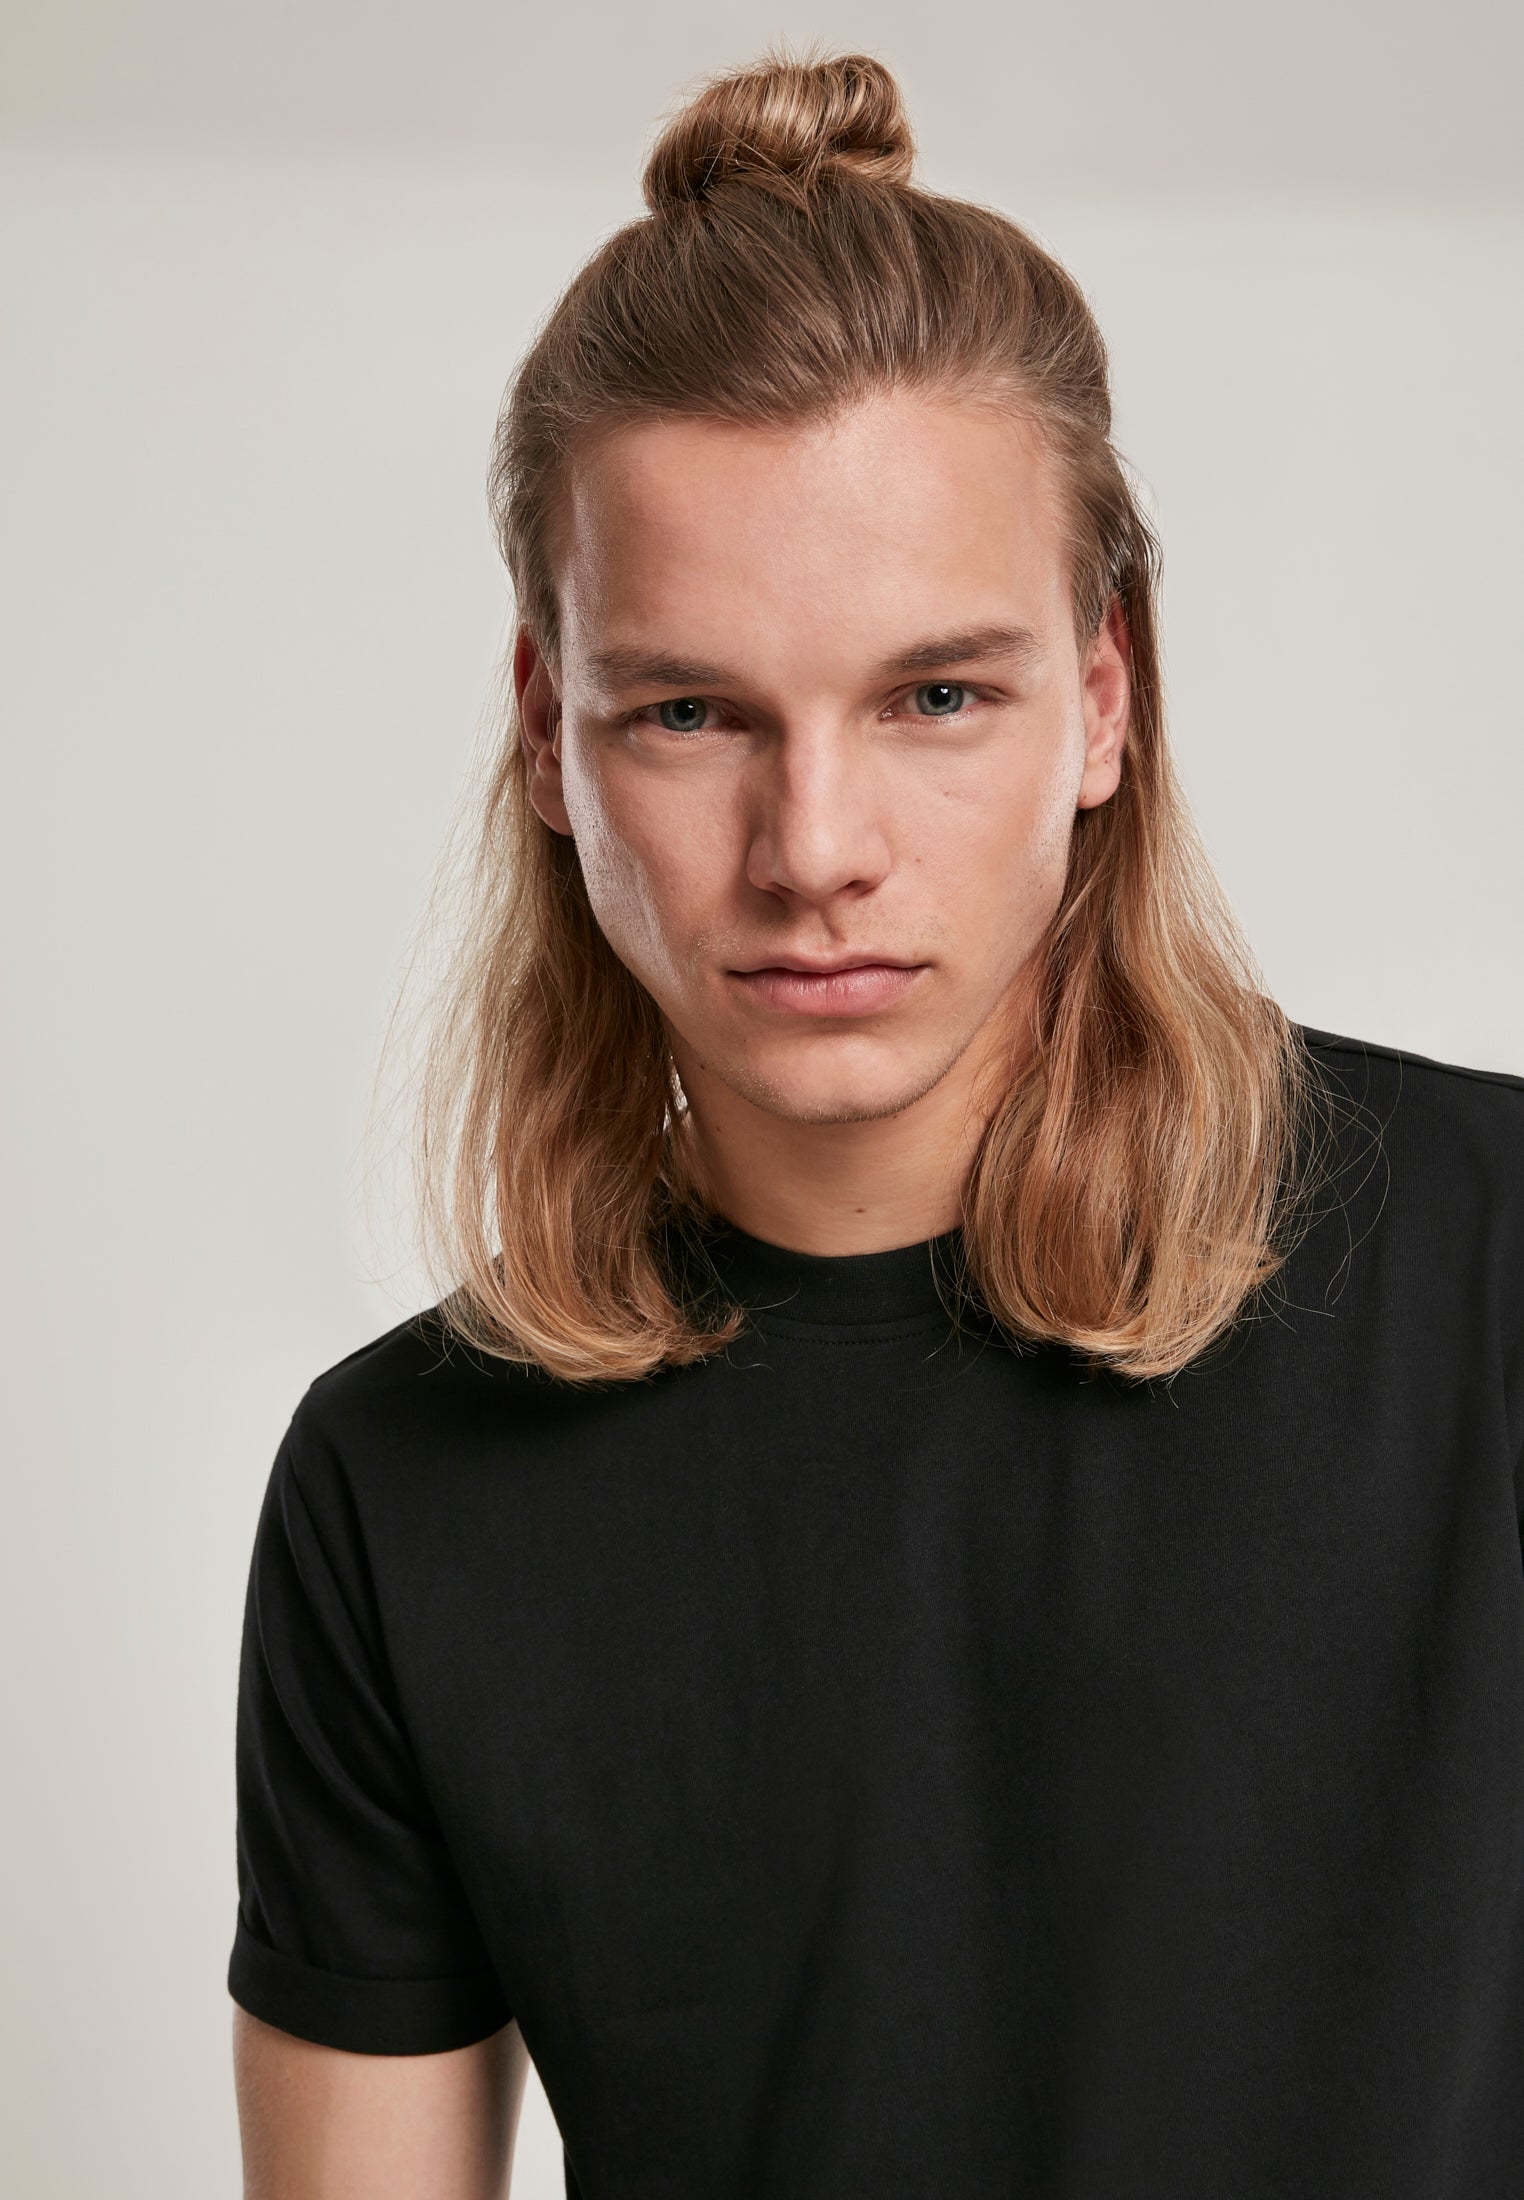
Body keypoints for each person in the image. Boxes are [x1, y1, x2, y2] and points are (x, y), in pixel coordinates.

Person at [227, 48, 1524, 2200]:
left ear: (1102, 697)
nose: (814, 846)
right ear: (550, 733)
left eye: (936, 695)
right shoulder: (398, 1488)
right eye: (691, 711)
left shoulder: (1494, 1275)